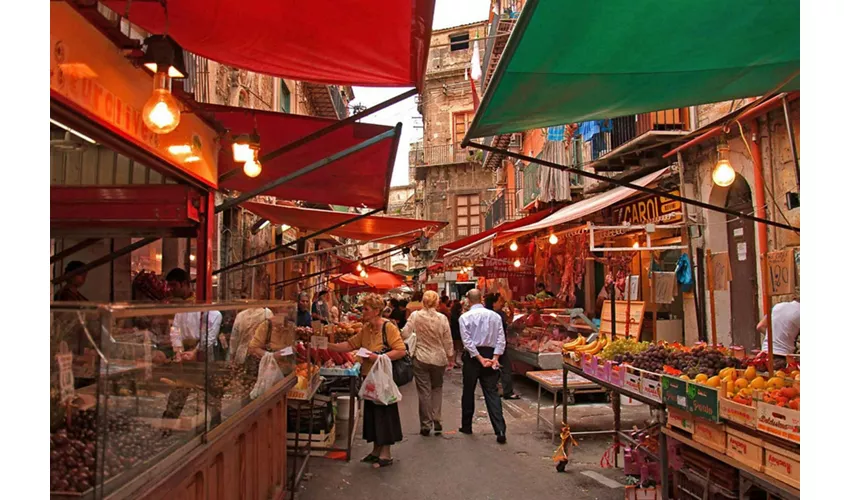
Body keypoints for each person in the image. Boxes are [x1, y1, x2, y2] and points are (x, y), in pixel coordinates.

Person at [328, 293, 406, 468]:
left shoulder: (388, 327)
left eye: (366, 309)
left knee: (384, 414)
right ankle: (375, 450)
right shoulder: (366, 328)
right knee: (372, 414)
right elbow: (350, 345)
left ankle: (386, 453)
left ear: (376, 311)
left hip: (383, 379)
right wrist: (328, 346)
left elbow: (400, 350)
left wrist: (377, 357)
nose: (363, 312)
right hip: (369, 378)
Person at [401, 290, 454, 436]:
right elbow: (447, 339)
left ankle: (426, 424)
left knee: (424, 391)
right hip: (439, 358)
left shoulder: (415, 316)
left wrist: (414, 337)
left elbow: (404, 333)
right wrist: (450, 356)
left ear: (423, 302)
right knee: (437, 388)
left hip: (421, 357)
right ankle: (437, 417)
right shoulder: (442, 318)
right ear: (437, 302)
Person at [458, 289, 507, 444]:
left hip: (473, 358)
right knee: (492, 393)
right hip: (491, 354)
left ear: (468, 300)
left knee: (468, 391)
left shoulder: (464, 318)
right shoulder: (495, 316)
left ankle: (466, 425)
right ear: (481, 299)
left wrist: (479, 358)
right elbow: (501, 338)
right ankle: (499, 429)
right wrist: (495, 357)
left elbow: (467, 342)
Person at [486, 293, 519, 400]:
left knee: (494, 367)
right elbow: (510, 322)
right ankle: (507, 392)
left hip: (490, 344)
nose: (501, 303)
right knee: (506, 368)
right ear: (494, 303)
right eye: (500, 301)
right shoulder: (499, 314)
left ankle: (495, 389)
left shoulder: (487, 313)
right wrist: (511, 308)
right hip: (500, 344)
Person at [757, 295, 800, 367]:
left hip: (764, 354)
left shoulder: (777, 306)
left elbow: (760, 326)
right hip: (781, 358)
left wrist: (775, 337)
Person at [449, 300, 464, 367]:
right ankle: (453, 361)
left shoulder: (452, 315)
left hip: (453, 332)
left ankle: (454, 361)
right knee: (456, 348)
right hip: (456, 333)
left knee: (455, 348)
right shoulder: (457, 317)